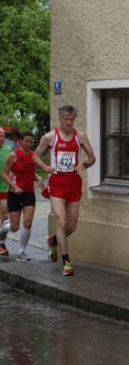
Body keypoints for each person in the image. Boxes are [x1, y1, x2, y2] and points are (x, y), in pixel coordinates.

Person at [33, 105, 96, 276]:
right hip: (57, 182)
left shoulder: (80, 136)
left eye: (72, 119)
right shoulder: (50, 137)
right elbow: (35, 155)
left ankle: (53, 241)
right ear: (60, 119)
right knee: (61, 221)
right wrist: (45, 167)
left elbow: (92, 158)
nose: (69, 122)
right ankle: (67, 262)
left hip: (73, 182)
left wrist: (84, 164)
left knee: (72, 225)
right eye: (66, 119)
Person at [0, 132, 44, 260]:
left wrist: (38, 178)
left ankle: (21, 252)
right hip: (15, 194)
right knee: (14, 227)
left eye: (31, 141)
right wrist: (14, 187)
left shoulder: (33, 156)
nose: (29, 144)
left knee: (28, 223)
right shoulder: (13, 155)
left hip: (29, 193)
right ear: (21, 141)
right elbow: (4, 173)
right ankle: (3, 230)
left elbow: (31, 173)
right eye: (27, 141)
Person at [0, 128, 13, 255]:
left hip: (4, 188)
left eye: (3, 136)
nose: (1, 138)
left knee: (5, 217)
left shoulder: (8, 150)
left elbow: (13, 166)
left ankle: (1, 243)